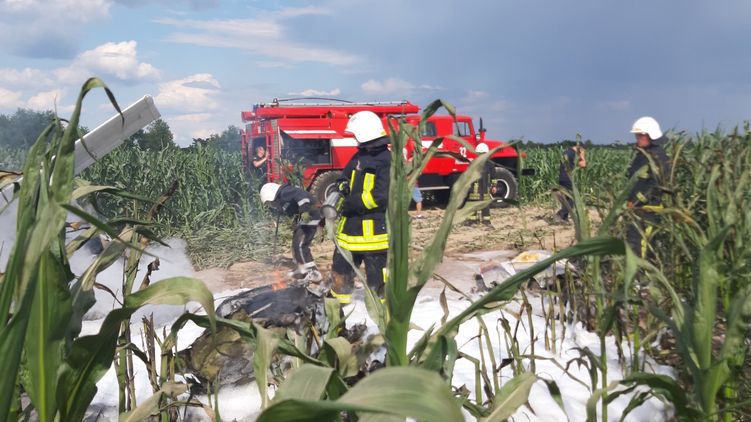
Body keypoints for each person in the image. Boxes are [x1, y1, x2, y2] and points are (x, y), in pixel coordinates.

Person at [329, 111, 391, 304]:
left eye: (356, 134)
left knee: (377, 280)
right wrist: (342, 184)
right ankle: (338, 308)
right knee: (340, 270)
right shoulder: (359, 156)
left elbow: (381, 197)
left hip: (373, 233)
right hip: (349, 230)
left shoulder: (386, 160)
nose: (355, 138)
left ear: (365, 134)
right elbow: (345, 176)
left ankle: (379, 313)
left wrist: (351, 202)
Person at [625, 116, 670, 260]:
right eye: (636, 135)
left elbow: (655, 185)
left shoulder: (658, 156)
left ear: (651, 135)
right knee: (633, 240)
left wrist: (636, 201)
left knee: (641, 243)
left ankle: (642, 271)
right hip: (637, 208)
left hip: (647, 209)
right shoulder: (643, 154)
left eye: (640, 135)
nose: (637, 138)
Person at [260, 182, 323, 282]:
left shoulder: (285, 192)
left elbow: (301, 195)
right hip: (304, 218)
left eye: (270, 203)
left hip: (311, 214)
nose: (271, 205)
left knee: (300, 245)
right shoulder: (282, 198)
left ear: (271, 196)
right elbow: (293, 208)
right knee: (295, 244)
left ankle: (313, 272)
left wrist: (304, 211)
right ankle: (302, 269)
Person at [554, 144, 587, 223]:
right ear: (580, 149)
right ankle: (560, 216)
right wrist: (582, 156)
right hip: (568, 179)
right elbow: (583, 165)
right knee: (571, 199)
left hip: (562, 178)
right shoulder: (573, 154)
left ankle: (563, 217)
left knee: (567, 199)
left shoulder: (567, 152)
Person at [465, 143, 495, 226]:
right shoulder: (472, 163)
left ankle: (486, 221)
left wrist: (494, 186)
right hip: (474, 188)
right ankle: (472, 221)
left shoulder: (490, 164)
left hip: (485, 188)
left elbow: (493, 176)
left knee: (485, 204)